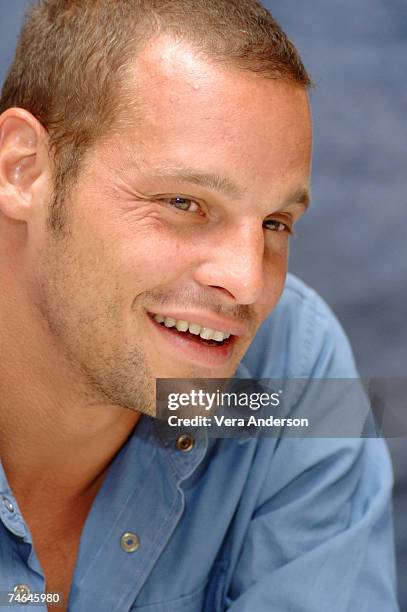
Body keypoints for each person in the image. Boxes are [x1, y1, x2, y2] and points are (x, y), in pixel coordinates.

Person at [0, 1, 398, 610]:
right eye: (185, 203)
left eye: (274, 221)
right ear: (24, 169)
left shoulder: (301, 368)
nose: (247, 283)